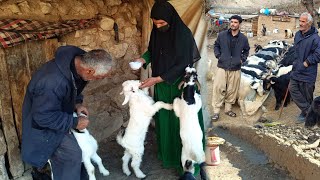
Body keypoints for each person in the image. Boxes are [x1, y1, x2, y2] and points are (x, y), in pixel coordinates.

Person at [133, 0, 205, 175]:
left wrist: (157, 79)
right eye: (155, 23)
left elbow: (183, 63)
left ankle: (189, 167)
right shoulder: (157, 32)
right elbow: (152, 50)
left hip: (180, 86)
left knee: (184, 126)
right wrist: (142, 60)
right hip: (162, 87)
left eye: (162, 23)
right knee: (165, 122)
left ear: (170, 19)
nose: (158, 26)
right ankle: (170, 157)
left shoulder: (183, 34)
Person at [21, 46, 114, 180]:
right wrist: (74, 122)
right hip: (44, 127)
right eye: (99, 77)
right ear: (89, 71)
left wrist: (77, 103)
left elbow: (73, 89)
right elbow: (42, 116)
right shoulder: (52, 82)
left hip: (59, 116)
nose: (98, 79)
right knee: (71, 154)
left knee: (80, 151)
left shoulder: (77, 65)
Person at [211, 15, 250, 121]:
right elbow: (216, 45)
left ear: (239, 24)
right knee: (219, 88)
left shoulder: (243, 38)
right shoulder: (222, 35)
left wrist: (242, 59)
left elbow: (246, 50)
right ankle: (216, 111)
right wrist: (219, 56)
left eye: (235, 22)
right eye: (231, 22)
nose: (233, 24)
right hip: (222, 66)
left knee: (232, 90)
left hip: (235, 68)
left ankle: (228, 109)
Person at [289, 12, 320, 122]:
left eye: (303, 21)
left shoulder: (315, 38)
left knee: (307, 94)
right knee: (292, 89)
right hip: (297, 68)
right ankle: (308, 111)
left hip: (308, 71)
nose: (300, 23)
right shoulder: (297, 35)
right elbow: (296, 50)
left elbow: (318, 54)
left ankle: (305, 113)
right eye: (300, 21)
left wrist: (307, 62)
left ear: (309, 23)